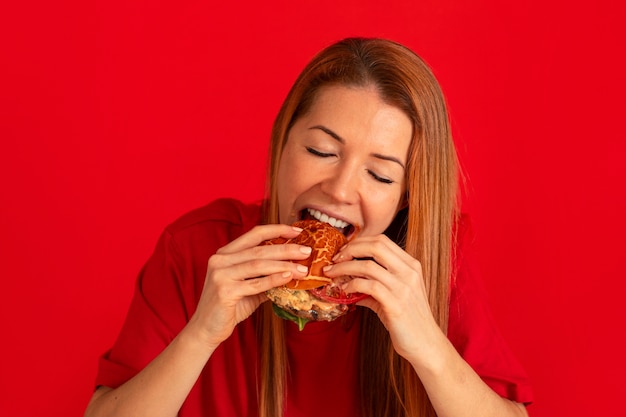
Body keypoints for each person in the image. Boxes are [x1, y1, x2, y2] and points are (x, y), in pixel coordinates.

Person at [84, 37, 533, 417]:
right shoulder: (196, 247)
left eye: (379, 175)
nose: (339, 190)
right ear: (283, 141)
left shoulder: (434, 262)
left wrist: (428, 347)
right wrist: (201, 333)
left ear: (406, 197)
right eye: (321, 150)